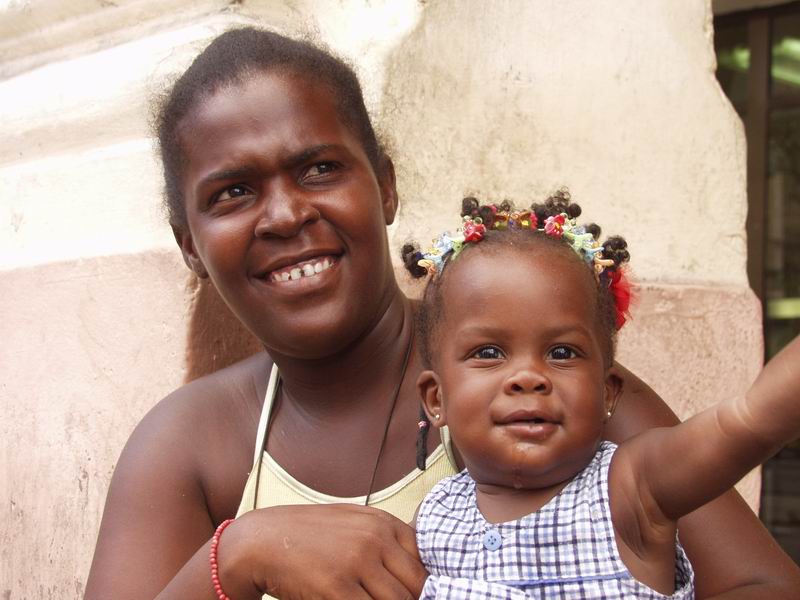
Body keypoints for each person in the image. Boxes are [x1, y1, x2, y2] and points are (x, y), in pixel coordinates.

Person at [84, 27, 800, 600]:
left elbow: (762, 580)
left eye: (319, 168)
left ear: (386, 188)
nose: (286, 213)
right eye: (233, 192)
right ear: (191, 246)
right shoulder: (190, 443)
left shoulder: (546, 390)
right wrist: (239, 556)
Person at [403, 196, 800, 598]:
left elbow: (749, 422)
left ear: (607, 392)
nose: (527, 377)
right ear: (436, 399)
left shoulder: (632, 489)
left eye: (562, 353)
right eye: (488, 353)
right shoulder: (435, 517)